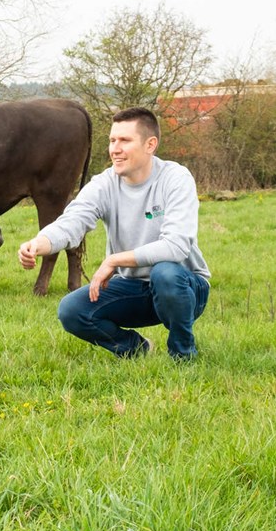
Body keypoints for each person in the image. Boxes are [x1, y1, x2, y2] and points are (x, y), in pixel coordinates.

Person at [17, 106, 210, 360]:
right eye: (112, 140)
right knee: (72, 310)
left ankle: (183, 353)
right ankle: (136, 349)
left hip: (184, 287)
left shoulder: (175, 178)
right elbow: (73, 220)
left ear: (150, 145)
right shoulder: (105, 183)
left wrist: (114, 260)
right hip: (131, 286)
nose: (115, 149)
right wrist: (39, 243)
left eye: (125, 140)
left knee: (165, 273)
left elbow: (175, 246)